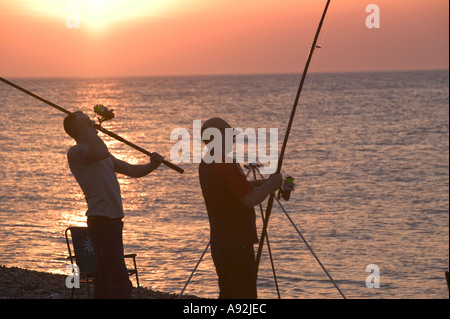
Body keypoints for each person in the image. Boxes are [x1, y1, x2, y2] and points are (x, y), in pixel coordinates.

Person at [64, 111, 164, 299]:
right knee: (118, 277)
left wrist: (152, 165)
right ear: (78, 130)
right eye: (85, 121)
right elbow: (98, 151)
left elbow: (132, 170)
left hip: (112, 222)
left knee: (103, 276)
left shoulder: (101, 155)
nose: (91, 122)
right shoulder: (77, 153)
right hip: (102, 222)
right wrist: (86, 127)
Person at [198, 117, 282, 299]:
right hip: (237, 243)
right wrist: (269, 187)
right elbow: (249, 199)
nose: (233, 139)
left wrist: (266, 182)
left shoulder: (206, 163)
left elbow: (234, 188)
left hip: (220, 243)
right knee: (244, 296)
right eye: (230, 136)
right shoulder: (225, 162)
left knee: (228, 294)